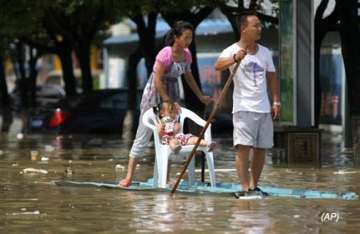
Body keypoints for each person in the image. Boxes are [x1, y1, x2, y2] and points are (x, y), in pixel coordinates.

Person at [119, 21, 212, 187]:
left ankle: (166, 177)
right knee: (143, 135)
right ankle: (129, 177)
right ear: (176, 38)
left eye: (191, 38)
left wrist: (200, 96)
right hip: (155, 92)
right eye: (186, 37)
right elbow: (157, 78)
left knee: (170, 134)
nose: (189, 41)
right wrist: (165, 100)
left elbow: (188, 77)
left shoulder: (187, 55)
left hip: (173, 92)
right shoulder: (165, 53)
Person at [214, 12, 280, 196]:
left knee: (261, 148)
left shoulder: (265, 52)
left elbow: (272, 76)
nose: (260, 29)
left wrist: (276, 101)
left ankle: (253, 185)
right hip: (243, 108)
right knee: (243, 148)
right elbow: (218, 66)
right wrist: (235, 58)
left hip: (264, 108)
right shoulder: (231, 49)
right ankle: (244, 188)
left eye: (260, 26)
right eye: (256, 25)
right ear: (244, 28)